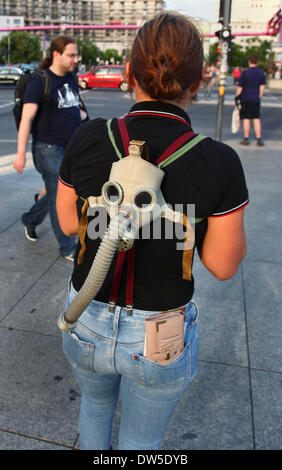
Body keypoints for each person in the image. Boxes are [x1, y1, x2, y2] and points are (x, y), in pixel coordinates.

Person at [57, 12, 248, 450]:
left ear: (128, 73)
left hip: (85, 316)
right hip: (160, 333)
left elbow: (69, 223)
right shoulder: (217, 161)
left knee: (95, 408)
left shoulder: (88, 137)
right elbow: (222, 265)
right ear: (198, 79)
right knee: (142, 439)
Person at [13, 35, 82, 259]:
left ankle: (30, 220)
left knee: (54, 192)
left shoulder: (70, 77)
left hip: (70, 148)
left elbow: (75, 107)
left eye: (76, 55)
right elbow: (26, 119)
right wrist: (20, 154)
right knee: (59, 198)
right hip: (48, 150)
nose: (75, 59)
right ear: (56, 54)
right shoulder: (39, 81)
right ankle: (67, 246)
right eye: (71, 55)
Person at [236, 55, 266, 147]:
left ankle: (246, 138)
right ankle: (259, 139)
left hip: (245, 98)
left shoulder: (245, 73)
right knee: (256, 118)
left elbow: (240, 87)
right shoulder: (261, 73)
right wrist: (259, 96)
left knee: (246, 119)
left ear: (249, 61)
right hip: (256, 98)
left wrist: (237, 98)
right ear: (257, 62)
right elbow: (262, 87)